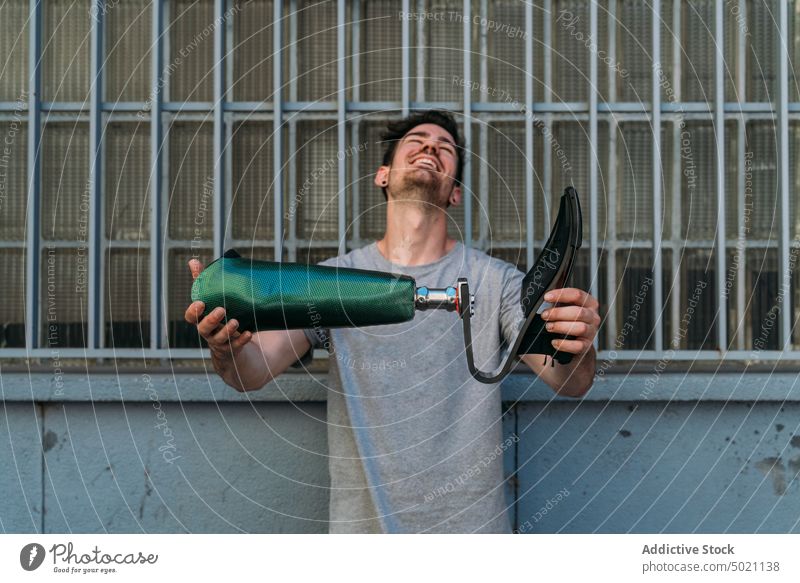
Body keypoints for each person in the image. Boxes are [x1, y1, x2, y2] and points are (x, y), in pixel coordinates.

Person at [184, 110, 600, 533]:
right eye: (416, 140)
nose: (430, 148)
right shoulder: (331, 283)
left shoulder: (496, 282)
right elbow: (250, 373)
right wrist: (226, 347)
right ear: (383, 175)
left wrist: (577, 345)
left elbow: (569, 381)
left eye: (445, 148)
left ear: (455, 192)